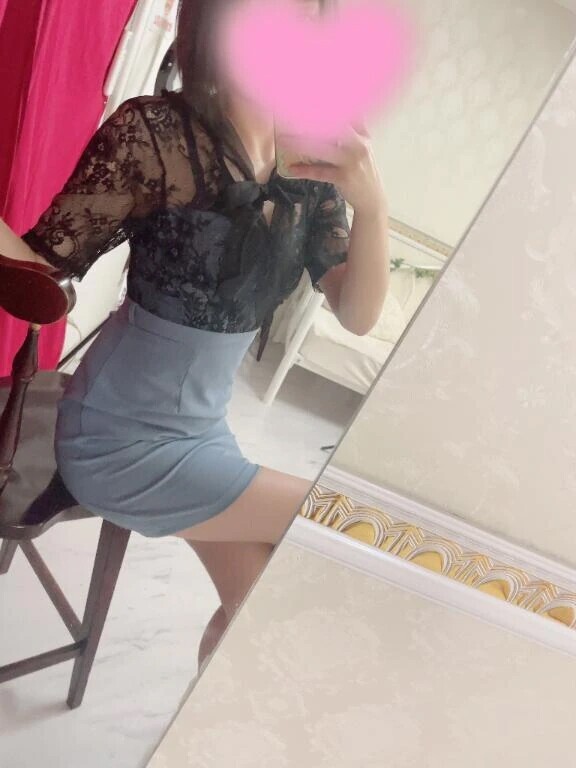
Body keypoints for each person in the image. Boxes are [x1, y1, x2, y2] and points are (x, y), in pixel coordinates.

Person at [0, 0, 389, 670]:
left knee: (252, 617)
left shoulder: (311, 166)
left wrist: (374, 206)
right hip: (114, 434)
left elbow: (357, 315)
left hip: (201, 432)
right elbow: (40, 273)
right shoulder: (154, 136)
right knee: (348, 528)